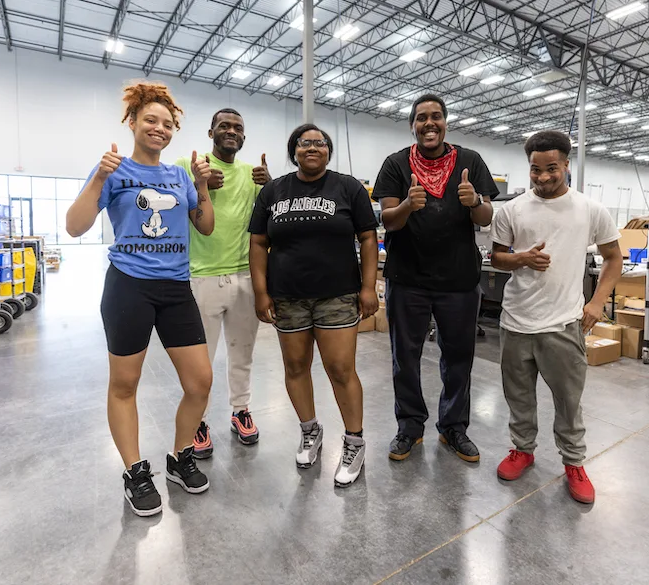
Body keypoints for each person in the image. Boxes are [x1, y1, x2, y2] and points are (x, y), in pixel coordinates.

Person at [66, 82, 216, 517]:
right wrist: (98, 176)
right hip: (128, 287)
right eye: (151, 120)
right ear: (132, 122)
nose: (160, 128)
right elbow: (75, 227)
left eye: (168, 124)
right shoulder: (113, 170)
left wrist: (202, 185)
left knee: (200, 381)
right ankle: (135, 471)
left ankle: (179, 455)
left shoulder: (178, 176)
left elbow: (204, 226)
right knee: (125, 385)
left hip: (175, 289)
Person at [489, 130, 621, 504]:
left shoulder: (590, 210)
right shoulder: (511, 210)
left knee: (568, 401)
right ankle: (523, 449)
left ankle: (574, 463)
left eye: (551, 169)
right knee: (518, 397)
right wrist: (522, 259)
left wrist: (595, 304)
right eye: (535, 170)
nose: (543, 177)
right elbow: (496, 258)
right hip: (516, 321)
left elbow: (614, 258)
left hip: (563, 324)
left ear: (566, 165)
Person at [248, 124, 379, 487]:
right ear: (294, 151)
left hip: (337, 294)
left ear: (328, 151)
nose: (312, 148)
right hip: (287, 295)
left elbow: (368, 238)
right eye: (304, 143)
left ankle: (354, 441)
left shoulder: (348, 187)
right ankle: (310, 430)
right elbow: (258, 242)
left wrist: (369, 287)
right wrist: (261, 292)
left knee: (340, 369)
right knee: (295, 366)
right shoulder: (274, 190)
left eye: (320, 143)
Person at [372, 94, 499, 463]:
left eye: (437, 117)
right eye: (422, 118)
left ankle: (454, 428)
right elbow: (388, 220)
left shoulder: (470, 161)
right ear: (412, 124)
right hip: (407, 278)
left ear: (446, 122)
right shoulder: (396, 164)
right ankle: (410, 427)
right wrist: (408, 205)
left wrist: (475, 200)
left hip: (458, 280)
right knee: (404, 358)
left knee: (459, 358)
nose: (430, 123)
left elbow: (486, 217)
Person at [174, 108, 270, 458]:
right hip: (202, 275)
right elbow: (169, 200)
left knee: (242, 352)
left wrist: (270, 182)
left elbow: (268, 218)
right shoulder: (189, 163)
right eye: (224, 126)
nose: (231, 131)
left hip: (244, 275)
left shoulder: (252, 174)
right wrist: (197, 183)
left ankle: (240, 410)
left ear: (243, 137)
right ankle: (197, 419)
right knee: (200, 359)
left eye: (238, 128)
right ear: (210, 131)